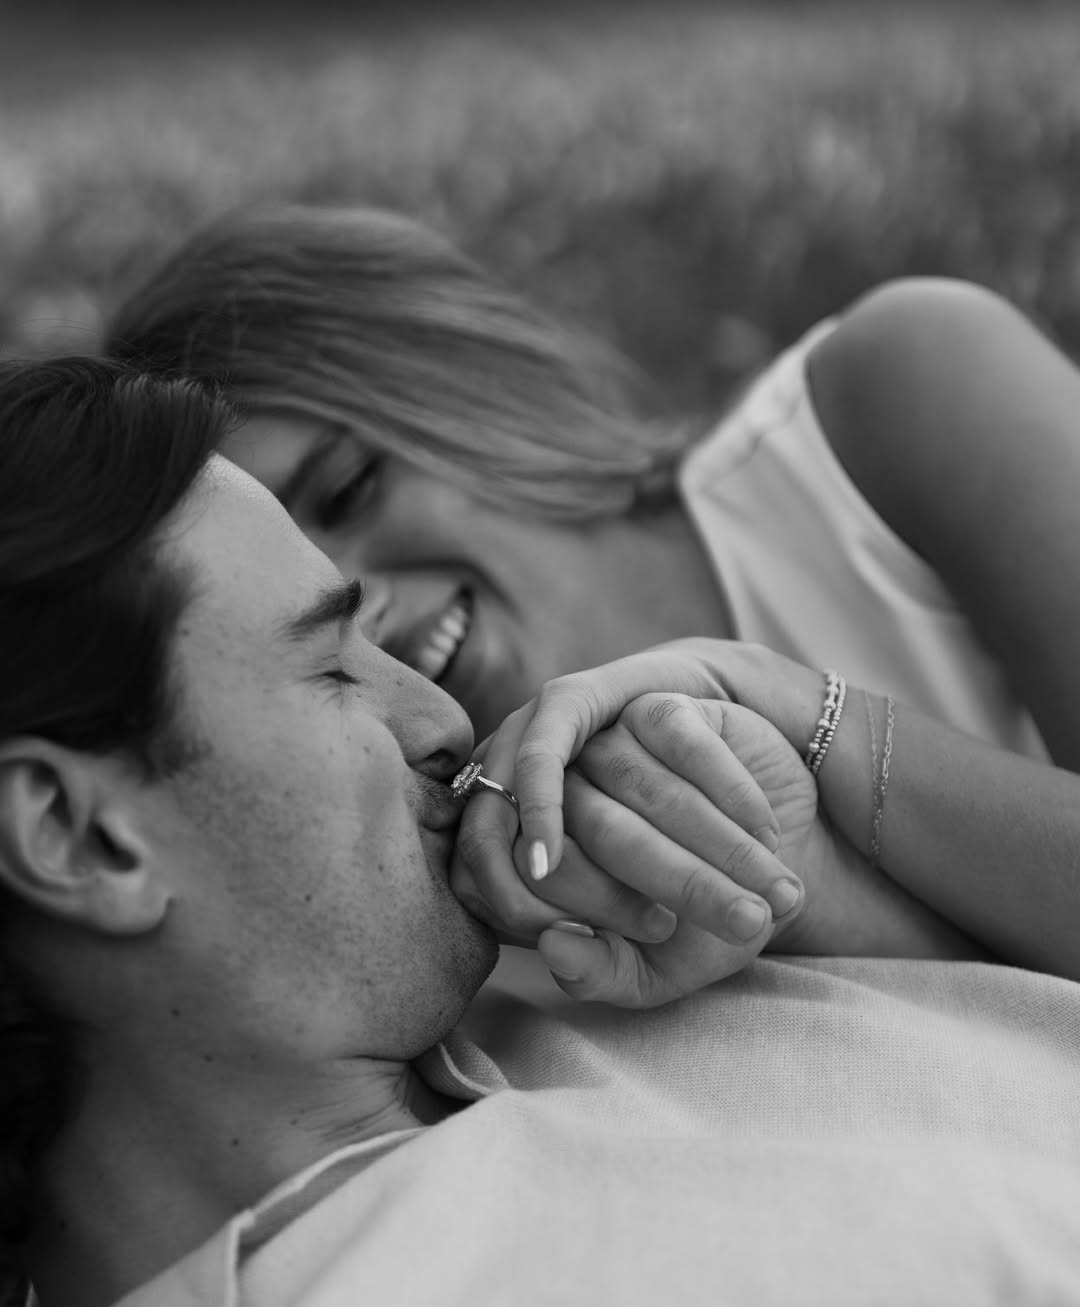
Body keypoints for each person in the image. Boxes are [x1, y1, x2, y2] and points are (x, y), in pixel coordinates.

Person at [3, 356, 1079, 1307]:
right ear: (77, 835)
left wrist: (827, 860)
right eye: (332, 668)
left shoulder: (606, 970)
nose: (441, 715)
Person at [101, 203, 1080, 988]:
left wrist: (788, 703)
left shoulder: (897, 392)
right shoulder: (490, 886)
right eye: (304, 601)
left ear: (452, 371)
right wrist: (798, 888)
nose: (371, 611)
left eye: (350, 489)